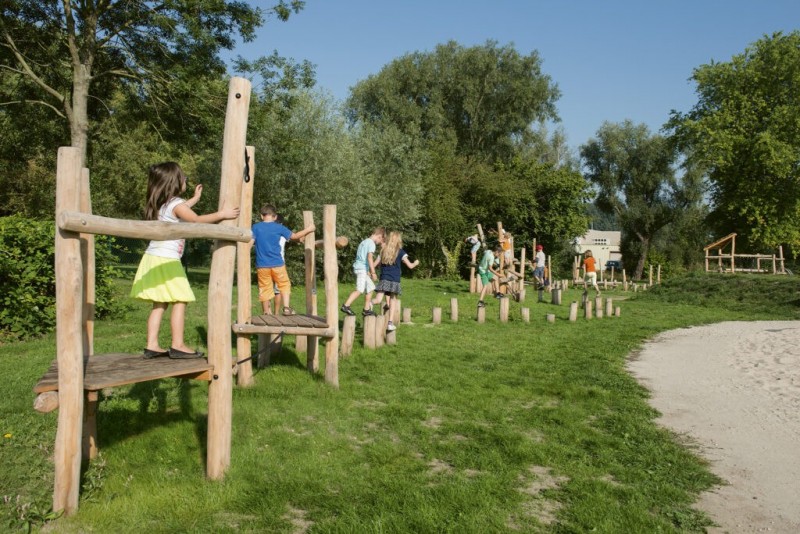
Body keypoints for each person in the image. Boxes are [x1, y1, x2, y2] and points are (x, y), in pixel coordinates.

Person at [130, 162, 240, 360]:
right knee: (181, 299)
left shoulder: (162, 204)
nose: (186, 181)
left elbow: (183, 209)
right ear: (174, 182)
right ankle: (178, 344)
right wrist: (222, 214)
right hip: (167, 260)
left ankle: (152, 345)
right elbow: (195, 220)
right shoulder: (175, 204)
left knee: (160, 304)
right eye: (184, 178)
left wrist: (195, 198)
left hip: (153, 257)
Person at [252, 204, 316, 316]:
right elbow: (295, 236)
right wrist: (309, 229)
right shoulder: (279, 227)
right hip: (277, 263)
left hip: (262, 265)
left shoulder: (256, 227)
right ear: (275, 217)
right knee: (284, 284)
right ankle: (286, 308)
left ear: (262, 216)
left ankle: (266, 312)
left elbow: (250, 242)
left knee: (265, 287)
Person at [370, 231, 419, 331]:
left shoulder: (383, 250)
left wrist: (371, 272)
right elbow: (410, 266)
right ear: (398, 240)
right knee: (393, 301)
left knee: (378, 299)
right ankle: (390, 323)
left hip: (384, 278)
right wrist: (416, 263)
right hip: (394, 280)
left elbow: (374, 264)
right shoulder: (401, 252)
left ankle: (369, 304)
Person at [341, 227, 386, 317]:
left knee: (371, 287)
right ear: (379, 236)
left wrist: (367, 271)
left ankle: (366, 309)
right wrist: (373, 272)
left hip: (361, 268)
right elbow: (369, 257)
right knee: (360, 289)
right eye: (380, 239)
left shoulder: (364, 242)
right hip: (361, 269)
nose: (379, 242)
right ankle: (346, 305)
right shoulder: (371, 244)